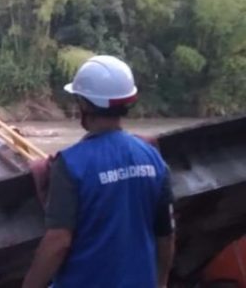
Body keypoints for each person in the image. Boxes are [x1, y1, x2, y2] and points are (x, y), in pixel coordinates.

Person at [23, 55, 175, 288]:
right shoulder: (153, 158)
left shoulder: (71, 164)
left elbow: (58, 242)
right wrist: (162, 282)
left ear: (84, 104)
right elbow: (165, 234)